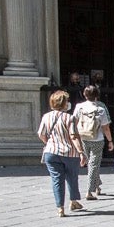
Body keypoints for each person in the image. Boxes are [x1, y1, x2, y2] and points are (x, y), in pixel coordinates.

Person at [37, 89, 85, 217]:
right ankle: (73, 201)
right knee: (72, 177)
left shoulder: (46, 117)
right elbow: (74, 136)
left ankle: (60, 208)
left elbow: (41, 134)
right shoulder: (70, 118)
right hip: (70, 152)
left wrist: (50, 143)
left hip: (51, 153)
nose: (68, 103)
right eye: (67, 101)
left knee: (57, 180)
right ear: (63, 103)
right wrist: (81, 152)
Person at [73, 84, 114, 200]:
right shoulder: (100, 109)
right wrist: (110, 141)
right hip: (97, 139)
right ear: (97, 95)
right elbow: (106, 127)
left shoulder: (79, 107)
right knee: (94, 164)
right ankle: (89, 191)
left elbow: (74, 122)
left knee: (90, 164)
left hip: (83, 138)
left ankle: (97, 185)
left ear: (84, 95)